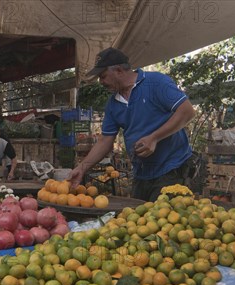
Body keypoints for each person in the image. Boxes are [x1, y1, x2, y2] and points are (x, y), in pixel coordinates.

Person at [68, 48, 196, 202]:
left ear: (119, 70)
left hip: (172, 169)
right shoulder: (113, 104)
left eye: (103, 76)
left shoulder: (156, 83)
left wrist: (154, 138)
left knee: (161, 221)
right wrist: (81, 168)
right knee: (135, 220)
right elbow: (105, 141)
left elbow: (187, 111)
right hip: (142, 174)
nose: (101, 82)